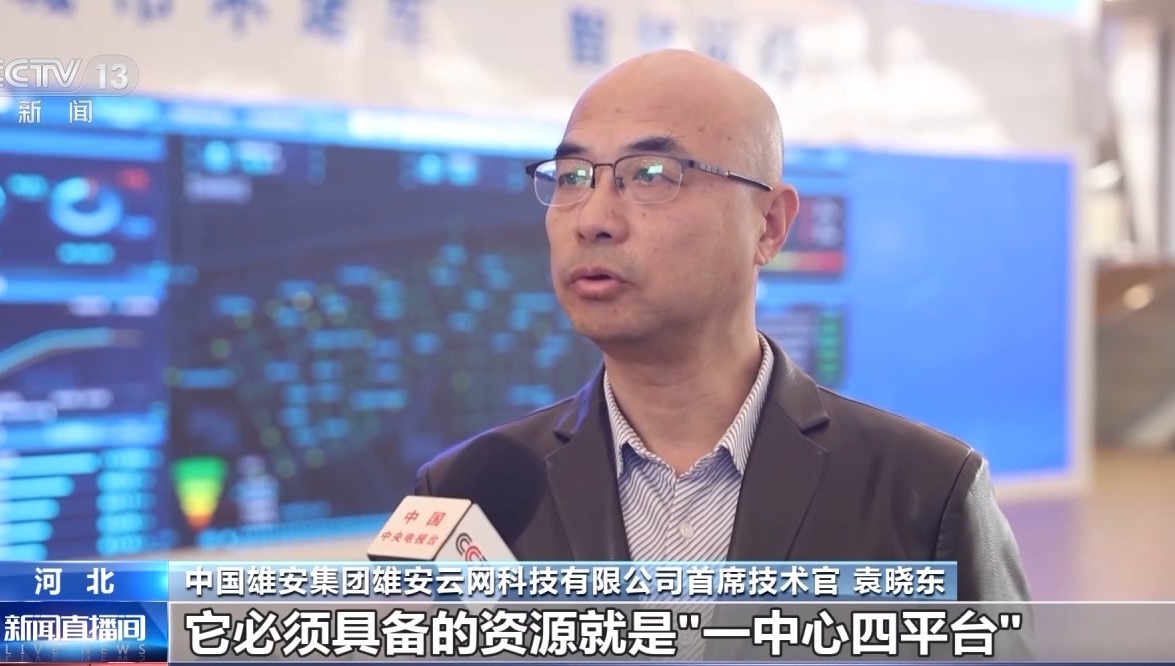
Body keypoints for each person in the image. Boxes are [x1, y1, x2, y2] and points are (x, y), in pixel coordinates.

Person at [415, 49, 1030, 604]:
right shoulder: (461, 499)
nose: (593, 218)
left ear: (769, 225)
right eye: (574, 177)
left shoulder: (926, 494)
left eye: (650, 175)